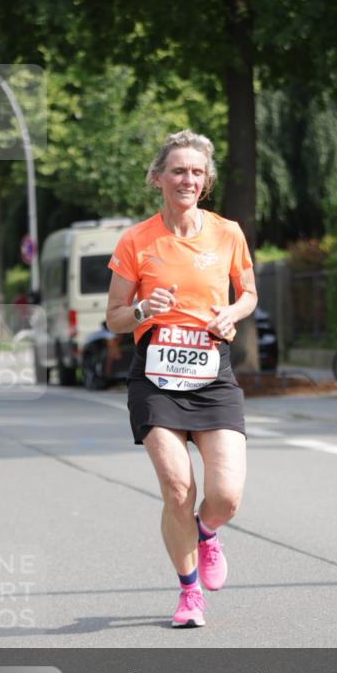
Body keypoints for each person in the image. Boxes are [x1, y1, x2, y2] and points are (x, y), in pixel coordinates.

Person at [106, 130, 258, 628]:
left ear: (206, 180)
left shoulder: (228, 233)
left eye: (196, 172)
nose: (187, 179)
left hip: (213, 372)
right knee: (177, 490)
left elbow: (248, 293)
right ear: (158, 178)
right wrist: (143, 309)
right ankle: (189, 593)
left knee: (226, 496)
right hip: (156, 377)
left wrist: (232, 313)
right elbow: (115, 317)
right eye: (177, 171)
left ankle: (206, 533)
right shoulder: (136, 240)